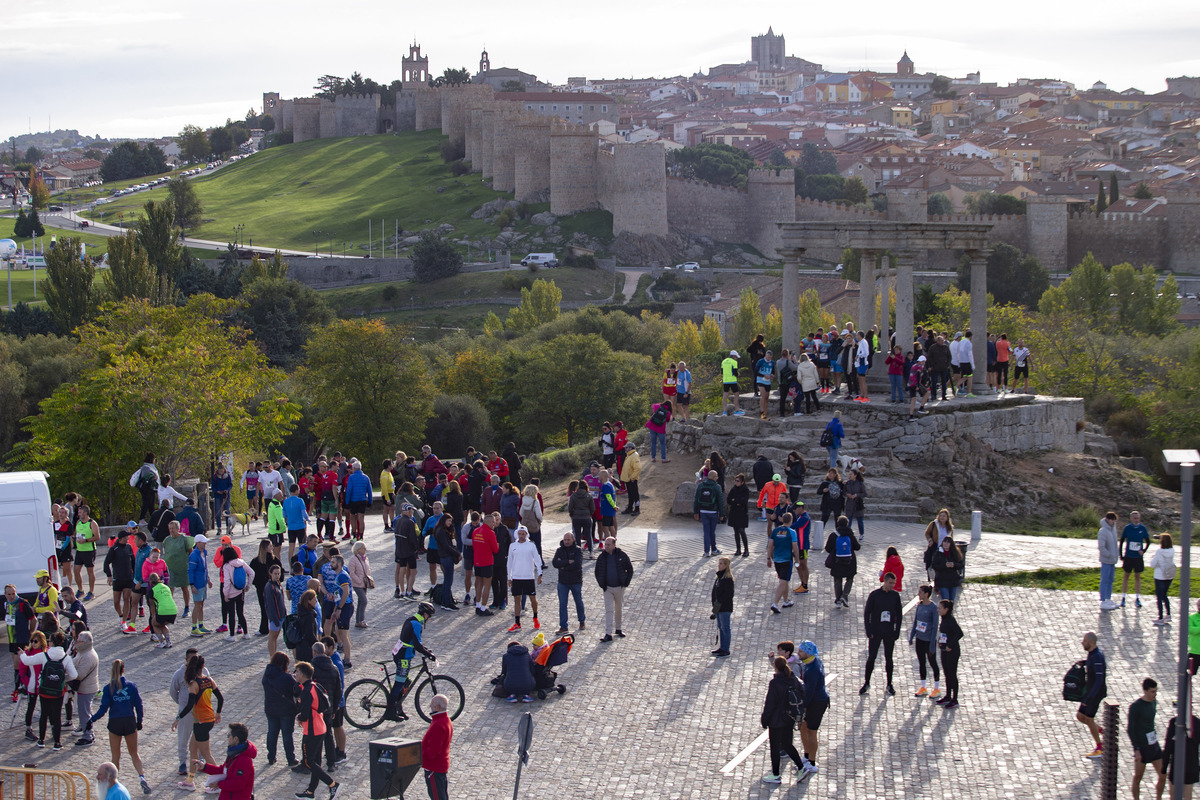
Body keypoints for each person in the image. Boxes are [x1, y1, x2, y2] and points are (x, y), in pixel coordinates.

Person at [88, 659, 151, 795]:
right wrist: (139, 721)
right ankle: (142, 777)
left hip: (115, 722)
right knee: (134, 753)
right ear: (124, 670)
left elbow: (103, 709)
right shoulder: (132, 686)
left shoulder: (108, 688)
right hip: (129, 721)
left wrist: (92, 719)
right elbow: (138, 705)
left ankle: (113, 783)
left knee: (116, 755)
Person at [173, 654, 224, 789]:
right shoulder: (209, 680)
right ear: (202, 667)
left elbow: (189, 706)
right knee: (193, 750)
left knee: (206, 754)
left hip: (201, 721)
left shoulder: (193, 684)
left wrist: (178, 718)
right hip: (207, 720)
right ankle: (190, 781)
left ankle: (218, 783)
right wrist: (218, 713)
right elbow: (220, 698)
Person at [21, 630, 77, 750]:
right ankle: (57, 742)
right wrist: (62, 680)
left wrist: (22, 654)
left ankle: (41, 740)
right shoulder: (65, 658)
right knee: (56, 716)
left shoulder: (44, 655)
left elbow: (27, 661)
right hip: (58, 691)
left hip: (44, 690)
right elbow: (74, 675)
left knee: (44, 714)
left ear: (51, 642)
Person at [293, 661, 341, 799]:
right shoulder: (315, 686)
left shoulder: (307, 691)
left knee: (309, 762)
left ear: (302, 674)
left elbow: (305, 713)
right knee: (317, 762)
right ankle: (310, 792)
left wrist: (298, 717)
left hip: (312, 730)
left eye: (297, 672)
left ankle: (332, 785)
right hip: (320, 727)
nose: (295, 674)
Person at [387, 602, 437, 720]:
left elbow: (413, 641)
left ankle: (398, 708)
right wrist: (429, 654)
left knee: (406, 682)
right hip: (404, 657)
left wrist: (425, 650)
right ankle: (389, 713)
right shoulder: (417, 624)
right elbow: (417, 645)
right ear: (425, 614)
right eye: (429, 616)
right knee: (399, 684)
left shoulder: (410, 619)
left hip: (400, 653)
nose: (429, 619)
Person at [760, 655, 805, 784]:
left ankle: (775, 774)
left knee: (774, 747)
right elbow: (802, 693)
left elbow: (770, 703)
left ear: (775, 667)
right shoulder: (792, 678)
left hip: (776, 720)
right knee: (787, 744)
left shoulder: (775, 683)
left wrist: (765, 720)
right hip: (789, 718)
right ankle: (801, 767)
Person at [860, 572, 902, 696]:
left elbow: (899, 614)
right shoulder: (874, 595)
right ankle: (867, 682)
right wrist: (868, 630)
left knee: (889, 658)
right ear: (885, 581)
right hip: (876, 631)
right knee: (872, 657)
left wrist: (897, 631)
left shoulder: (895, 596)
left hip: (889, 631)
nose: (892, 585)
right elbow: (867, 613)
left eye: (894, 583)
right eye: (890, 583)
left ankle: (889, 684)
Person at [1129, 677, 1166, 800]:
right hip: (1142, 746)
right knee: (1138, 777)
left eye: (1156, 691)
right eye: (1152, 692)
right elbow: (1131, 729)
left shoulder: (1153, 702)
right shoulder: (1136, 707)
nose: (1154, 694)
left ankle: (1158, 798)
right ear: (1145, 691)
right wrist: (1136, 749)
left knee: (1163, 775)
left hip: (1153, 744)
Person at [262, 651, 299, 767]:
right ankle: (290, 759)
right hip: (286, 710)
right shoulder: (287, 677)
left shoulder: (266, 675)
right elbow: (297, 690)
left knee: (272, 733)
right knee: (287, 735)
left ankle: (271, 757)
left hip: (270, 709)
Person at [200, 722, 256, 799]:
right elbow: (223, 770)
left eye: (229, 735)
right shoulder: (234, 753)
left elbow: (237, 784)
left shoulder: (244, 760)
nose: (228, 738)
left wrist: (219, 784)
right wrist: (204, 767)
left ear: (235, 739)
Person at [795, 640, 826, 777]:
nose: (798, 653)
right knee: (803, 727)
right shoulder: (811, 663)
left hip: (817, 702)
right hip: (812, 700)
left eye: (801, 651)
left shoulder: (812, 669)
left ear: (808, 653)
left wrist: (803, 706)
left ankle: (812, 763)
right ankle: (806, 755)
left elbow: (811, 691)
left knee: (811, 732)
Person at [595, 536, 633, 643]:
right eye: (605, 544)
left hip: (619, 587)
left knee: (618, 608)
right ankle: (608, 633)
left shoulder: (622, 555)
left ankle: (618, 628)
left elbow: (630, 569)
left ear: (614, 545)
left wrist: (626, 583)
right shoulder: (602, 557)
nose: (606, 547)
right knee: (609, 609)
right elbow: (597, 571)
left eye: (608, 545)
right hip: (608, 588)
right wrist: (602, 584)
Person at [1078, 631, 1107, 758]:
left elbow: (1100, 680)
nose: (1082, 643)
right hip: (1090, 692)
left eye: (1084, 641)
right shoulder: (1091, 655)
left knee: (1089, 718)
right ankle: (1104, 732)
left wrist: (1091, 697)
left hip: (1095, 694)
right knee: (1080, 716)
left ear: (1091, 642)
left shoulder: (1097, 657)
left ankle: (1100, 748)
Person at [507, 526, 542, 632]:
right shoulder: (512, 546)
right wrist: (509, 577)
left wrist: (540, 573)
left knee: (533, 599)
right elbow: (509, 562)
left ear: (526, 534)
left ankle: (535, 618)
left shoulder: (531, 546)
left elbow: (537, 559)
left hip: (528, 577)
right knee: (517, 600)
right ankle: (517, 623)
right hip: (517, 577)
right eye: (520, 534)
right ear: (517, 534)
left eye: (523, 534)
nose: (521, 536)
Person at [908, 585, 941, 698]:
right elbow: (916, 622)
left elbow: (935, 627)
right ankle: (923, 687)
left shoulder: (933, 608)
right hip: (920, 639)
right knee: (922, 662)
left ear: (926, 594)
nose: (918, 594)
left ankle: (937, 688)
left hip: (928, 640)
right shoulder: (920, 606)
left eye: (920, 592)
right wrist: (912, 636)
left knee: (932, 663)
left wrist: (932, 643)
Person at [552, 532, 585, 635]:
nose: (566, 542)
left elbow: (577, 564)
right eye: (565, 540)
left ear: (573, 540)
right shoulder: (559, 550)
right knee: (562, 604)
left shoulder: (578, 550)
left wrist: (563, 565)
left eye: (568, 540)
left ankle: (582, 621)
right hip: (563, 582)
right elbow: (554, 563)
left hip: (576, 581)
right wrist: (567, 562)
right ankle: (563, 626)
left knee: (578, 602)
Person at [70, 630, 99, 746]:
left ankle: (88, 736)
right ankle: (86, 731)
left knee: (84, 712)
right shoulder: (84, 652)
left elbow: (79, 674)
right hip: (86, 687)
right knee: (85, 711)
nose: (77, 642)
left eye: (79, 641)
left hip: (86, 689)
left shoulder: (87, 656)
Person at [421, 694, 453, 800]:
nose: (430, 706)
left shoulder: (438, 725)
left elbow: (434, 751)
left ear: (438, 707)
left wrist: (421, 756)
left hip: (434, 768)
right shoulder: (445, 720)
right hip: (440, 766)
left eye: (432, 704)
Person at [220, 545, 255, 642]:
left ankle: (232, 635)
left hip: (231, 593)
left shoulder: (227, 566)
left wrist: (225, 594)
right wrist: (248, 585)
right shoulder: (241, 562)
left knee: (231, 614)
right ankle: (246, 633)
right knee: (240, 613)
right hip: (241, 591)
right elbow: (252, 573)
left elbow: (226, 582)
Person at [1163, 711, 1200, 800]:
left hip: (1177, 764)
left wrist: (1164, 766)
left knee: (1174, 795)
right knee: (1188, 795)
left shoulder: (1174, 722)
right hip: (1192, 764)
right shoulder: (1197, 722)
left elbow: (1168, 746)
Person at [825, 515, 860, 608]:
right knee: (850, 578)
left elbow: (827, 549)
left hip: (837, 561)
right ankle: (845, 595)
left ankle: (838, 600)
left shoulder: (833, 535)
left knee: (837, 579)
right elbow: (857, 547)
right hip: (850, 561)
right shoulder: (850, 535)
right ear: (847, 524)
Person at [768, 513, 799, 615]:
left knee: (784, 580)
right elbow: (795, 547)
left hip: (777, 559)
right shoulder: (792, 532)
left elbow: (770, 545)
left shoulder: (776, 530)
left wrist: (769, 558)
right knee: (783, 581)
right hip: (786, 559)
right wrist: (797, 560)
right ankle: (775, 603)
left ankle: (786, 601)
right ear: (791, 520)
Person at [935, 599, 963, 709]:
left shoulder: (951, 620)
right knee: (947, 674)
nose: (938, 610)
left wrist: (950, 645)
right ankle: (948, 695)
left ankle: (954, 699)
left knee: (952, 674)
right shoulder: (944, 618)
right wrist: (940, 642)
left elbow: (959, 633)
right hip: (944, 650)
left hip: (952, 652)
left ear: (946, 610)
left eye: (940, 608)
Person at [1121, 510, 1151, 608]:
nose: (1136, 520)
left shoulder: (1142, 528)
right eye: (1134, 518)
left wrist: (1143, 550)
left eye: (1137, 518)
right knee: (1126, 576)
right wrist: (1121, 555)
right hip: (1129, 556)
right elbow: (1121, 541)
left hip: (1138, 557)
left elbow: (1148, 541)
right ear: (1131, 518)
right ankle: (1123, 597)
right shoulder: (1127, 528)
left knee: (1137, 576)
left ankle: (1137, 598)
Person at [693, 469, 726, 557]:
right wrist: (722, 514)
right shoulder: (717, 487)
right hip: (713, 511)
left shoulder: (700, 486)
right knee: (712, 531)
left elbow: (696, 499)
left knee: (706, 531)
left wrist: (696, 512)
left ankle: (706, 551)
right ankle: (714, 549)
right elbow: (720, 501)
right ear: (714, 477)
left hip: (703, 511)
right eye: (716, 476)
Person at [188, 534, 214, 637]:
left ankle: (201, 625)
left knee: (201, 605)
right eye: (203, 542)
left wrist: (208, 580)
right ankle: (194, 627)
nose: (205, 543)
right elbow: (190, 571)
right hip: (197, 584)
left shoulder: (204, 553)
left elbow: (205, 568)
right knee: (197, 605)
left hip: (203, 582)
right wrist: (192, 585)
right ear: (198, 543)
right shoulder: (194, 555)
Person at [73, 504, 100, 600]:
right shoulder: (78, 522)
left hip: (89, 550)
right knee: (76, 570)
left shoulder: (92, 523)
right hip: (79, 550)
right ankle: (80, 590)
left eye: (80, 512)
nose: (78, 514)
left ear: (85, 513)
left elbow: (97, 537)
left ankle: (91, 592)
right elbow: (75, 534)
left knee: (90, 571)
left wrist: (86, 540)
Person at [711, 556, 733, 657]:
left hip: (724, 607)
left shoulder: (727, 579)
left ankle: (726, 648)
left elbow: (729, 594)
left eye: (721, 564)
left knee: (725, 628)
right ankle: (722, 647)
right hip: (718, 607)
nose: (719, 565)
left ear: (725, 566)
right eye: (719, 563)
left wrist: (719, 601)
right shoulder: (719, 577)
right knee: (720, 627)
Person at [147, 573, 177, 648]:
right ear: (159, 579)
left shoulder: (152, 590)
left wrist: (153, 616)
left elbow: (151, 605)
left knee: (155, 624)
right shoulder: (166, 587)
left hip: (163, 610)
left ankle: (161, 642)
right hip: (173, 610)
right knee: (162, 624)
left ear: (150, 582)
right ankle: (168, 642)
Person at [1098, 511, 1120, 611]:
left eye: (1114, 520)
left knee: (1110, 580)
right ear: (1107, 519)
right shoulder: (1103, 531)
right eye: (1112, 520)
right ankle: (1103, 600)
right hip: (1106, 560)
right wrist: (1108, 555)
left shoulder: (1113, 530)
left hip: (1112, 561)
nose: (1113, 522)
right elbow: (1101, 546)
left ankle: (1108, 598)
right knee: (1105, 580)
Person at [1152, 533, 1177, 625]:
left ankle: (1160, 617)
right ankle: (1168, 614)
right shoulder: (1172, 551)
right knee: (1165, 595)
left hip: (1159, 576)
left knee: (1159, 597)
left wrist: (1153, 558)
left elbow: (1152, 564)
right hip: (1169, 576)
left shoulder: (1159, 552)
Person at [130, 453, 161, 523]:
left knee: (151, 505)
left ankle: (153, 519)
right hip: (146, 489)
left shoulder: (149, 467)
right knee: (146, 503)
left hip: (150, 489)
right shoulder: (146, 467)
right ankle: (141, 519)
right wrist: (154, 478)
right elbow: (146, 478)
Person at [931, 538, 963, 603]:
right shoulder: (938, 553)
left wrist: (954, 565)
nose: (945, 544)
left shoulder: (955, 553)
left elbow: (961, 565)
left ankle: (949, 612)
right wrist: (944, 565)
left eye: (947, 542)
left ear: (951, 544)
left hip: (953, 580)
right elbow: (934, 566)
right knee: (945, 600)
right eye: (944, 542)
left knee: (951, 601)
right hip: (942, 580)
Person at [727, 473, 751, 558]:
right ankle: (738, 549)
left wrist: (736, 501)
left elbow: (744, 501)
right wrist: (737, 502)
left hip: (742, 513)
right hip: (734, 512)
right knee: (736, 531)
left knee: (742, 530)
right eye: (735, 481)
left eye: (738, 481)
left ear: (742, 482)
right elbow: (729, 500)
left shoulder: (745, 490)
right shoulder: (734, 489)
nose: (736, 482)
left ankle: (746, 549)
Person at [294, 590, 320, 664]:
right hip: (308, 649)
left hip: (300, 647)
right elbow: (310, 634)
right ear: (309, 601)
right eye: (314, 599)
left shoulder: (301, 612)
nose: (316, 601)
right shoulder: (308, 616)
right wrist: (318, 645)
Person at [816, 468, 845, 533]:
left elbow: (844, 491)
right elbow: (818, 491)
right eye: (829, 473)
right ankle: (819, 533)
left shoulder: (840, 483)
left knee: (837, 519)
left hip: (837, 504)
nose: (830, 474)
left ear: (835, 475)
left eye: (832, 473)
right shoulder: (825, 483)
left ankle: (838, 533)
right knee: (824, 519)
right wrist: (823, 490)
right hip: (827, 504)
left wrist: (845, 484)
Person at [645, 399, 672, 463]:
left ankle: (653, 458)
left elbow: (653, 405)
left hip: (651, 426)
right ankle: (663, 458)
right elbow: (668, 420)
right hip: (660, 429)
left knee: (653, 443)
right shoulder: (668, 412)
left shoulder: (658, 406)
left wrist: (661, 404)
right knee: (662, 443)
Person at [843, 468, 866, 540]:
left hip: (858, 504)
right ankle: (847, 534)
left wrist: (856, 495)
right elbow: (843, 492)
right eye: (849, 474)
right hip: (849, 504)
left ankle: (861, 534)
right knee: (848, 520)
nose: (849, 475)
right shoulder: (847, 483)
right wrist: (847, 494)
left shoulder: (860, 483)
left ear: (855, 475)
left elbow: (864, 493)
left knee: (860, 521)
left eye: (851, 474)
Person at [620, 442, 641, 516]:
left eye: (627, 447)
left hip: (632, 479)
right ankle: (630, 508)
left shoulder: (634, 455)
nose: (625, 448)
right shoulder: (629, 455)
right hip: (628, 479)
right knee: (630, 494)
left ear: (630, 448)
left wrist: (633, 477)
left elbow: (638, 468)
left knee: (635, 494)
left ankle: (637, 509)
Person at [753, 348, 775, 420]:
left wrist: (772, 375)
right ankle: (762, 413)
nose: (769, 358)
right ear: (765, 355)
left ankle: (765, 413)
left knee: (767, 397)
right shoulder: (761, 361)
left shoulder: (772, 362)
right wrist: (763, 375)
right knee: (763, 395)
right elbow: (755, 372)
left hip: (767, 381)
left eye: (770, 357)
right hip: (760, 380)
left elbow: (773, 371)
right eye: (768, 357)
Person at [721, 350, 740, 414]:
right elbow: (735, 372)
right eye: (736, 357)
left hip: (725, 380)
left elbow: (721, 372)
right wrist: (738, 375)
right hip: (732, 380)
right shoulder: (734, 362)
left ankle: (724, 411)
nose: (737, 358)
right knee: (736, 394)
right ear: (734, 356)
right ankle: (737, 410)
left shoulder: (723, 361)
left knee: (725, 395)